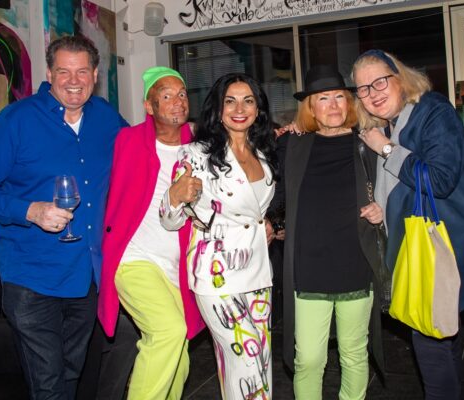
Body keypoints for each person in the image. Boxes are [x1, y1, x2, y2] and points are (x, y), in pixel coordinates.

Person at [0, 35, 128, 399]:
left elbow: (142, 154)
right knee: (49, 384)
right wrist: (30, 210)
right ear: (49, 74)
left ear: (95, 75)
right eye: (64, 71)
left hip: (87, 277)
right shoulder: (15, 121)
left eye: (82, 71)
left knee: (70, 375)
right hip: (32, 279)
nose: (74, 81)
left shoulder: (107, 118)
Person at [352, 49, 464, 400]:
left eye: (380, 82)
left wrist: (386, 149)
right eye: (363, 89)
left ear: (400, 78)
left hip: (443, 248)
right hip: (422, 250)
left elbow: (438, 179)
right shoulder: (389, 123)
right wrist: (382, 207)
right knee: (443, 335)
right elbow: (400, 186)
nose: (373, 93)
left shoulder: (433, 111)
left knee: (430, 341)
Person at [269, 65, 387, 400]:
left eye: (339, 97)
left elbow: (393, 189)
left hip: (355, 262)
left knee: (354, 352)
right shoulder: (291, 145)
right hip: (309, 267)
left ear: (349, 102)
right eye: (323, 98)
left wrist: (381, 210)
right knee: (308, 358)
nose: (333, 105)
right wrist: (273, 223)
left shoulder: (367, 142)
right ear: (310, 106)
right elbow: (274, 195)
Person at [160, 72, 278, 400]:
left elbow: (256, 208)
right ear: (218, 108)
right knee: (246, 360)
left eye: (248, 101)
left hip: (258, 271)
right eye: (230, 101)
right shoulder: (194, 154)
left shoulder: (264, 151)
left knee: (259, 362)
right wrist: (174, 197)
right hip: (218, 275)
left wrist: (269, 222)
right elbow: (170, 221)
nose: (239, 109)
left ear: (258, 108)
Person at [97, 66, 205, 399]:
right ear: (149, 105)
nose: (177, 102)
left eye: (182, 94)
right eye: (166, 95)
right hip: (134, 259)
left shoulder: (199, 148)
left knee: (179, 358)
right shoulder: (128, 141)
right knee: (168, 331)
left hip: (176, 268)